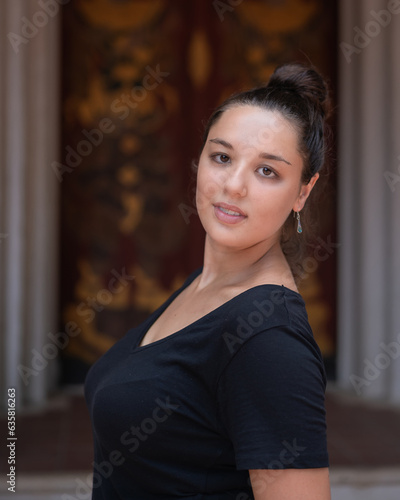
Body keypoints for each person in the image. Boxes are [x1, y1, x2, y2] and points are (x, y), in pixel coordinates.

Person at [85, 62, 332, 499]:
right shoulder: (206, 284)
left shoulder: (269, 339)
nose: (233, 185)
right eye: (222, 157)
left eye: (267, 171)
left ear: (302, 192)